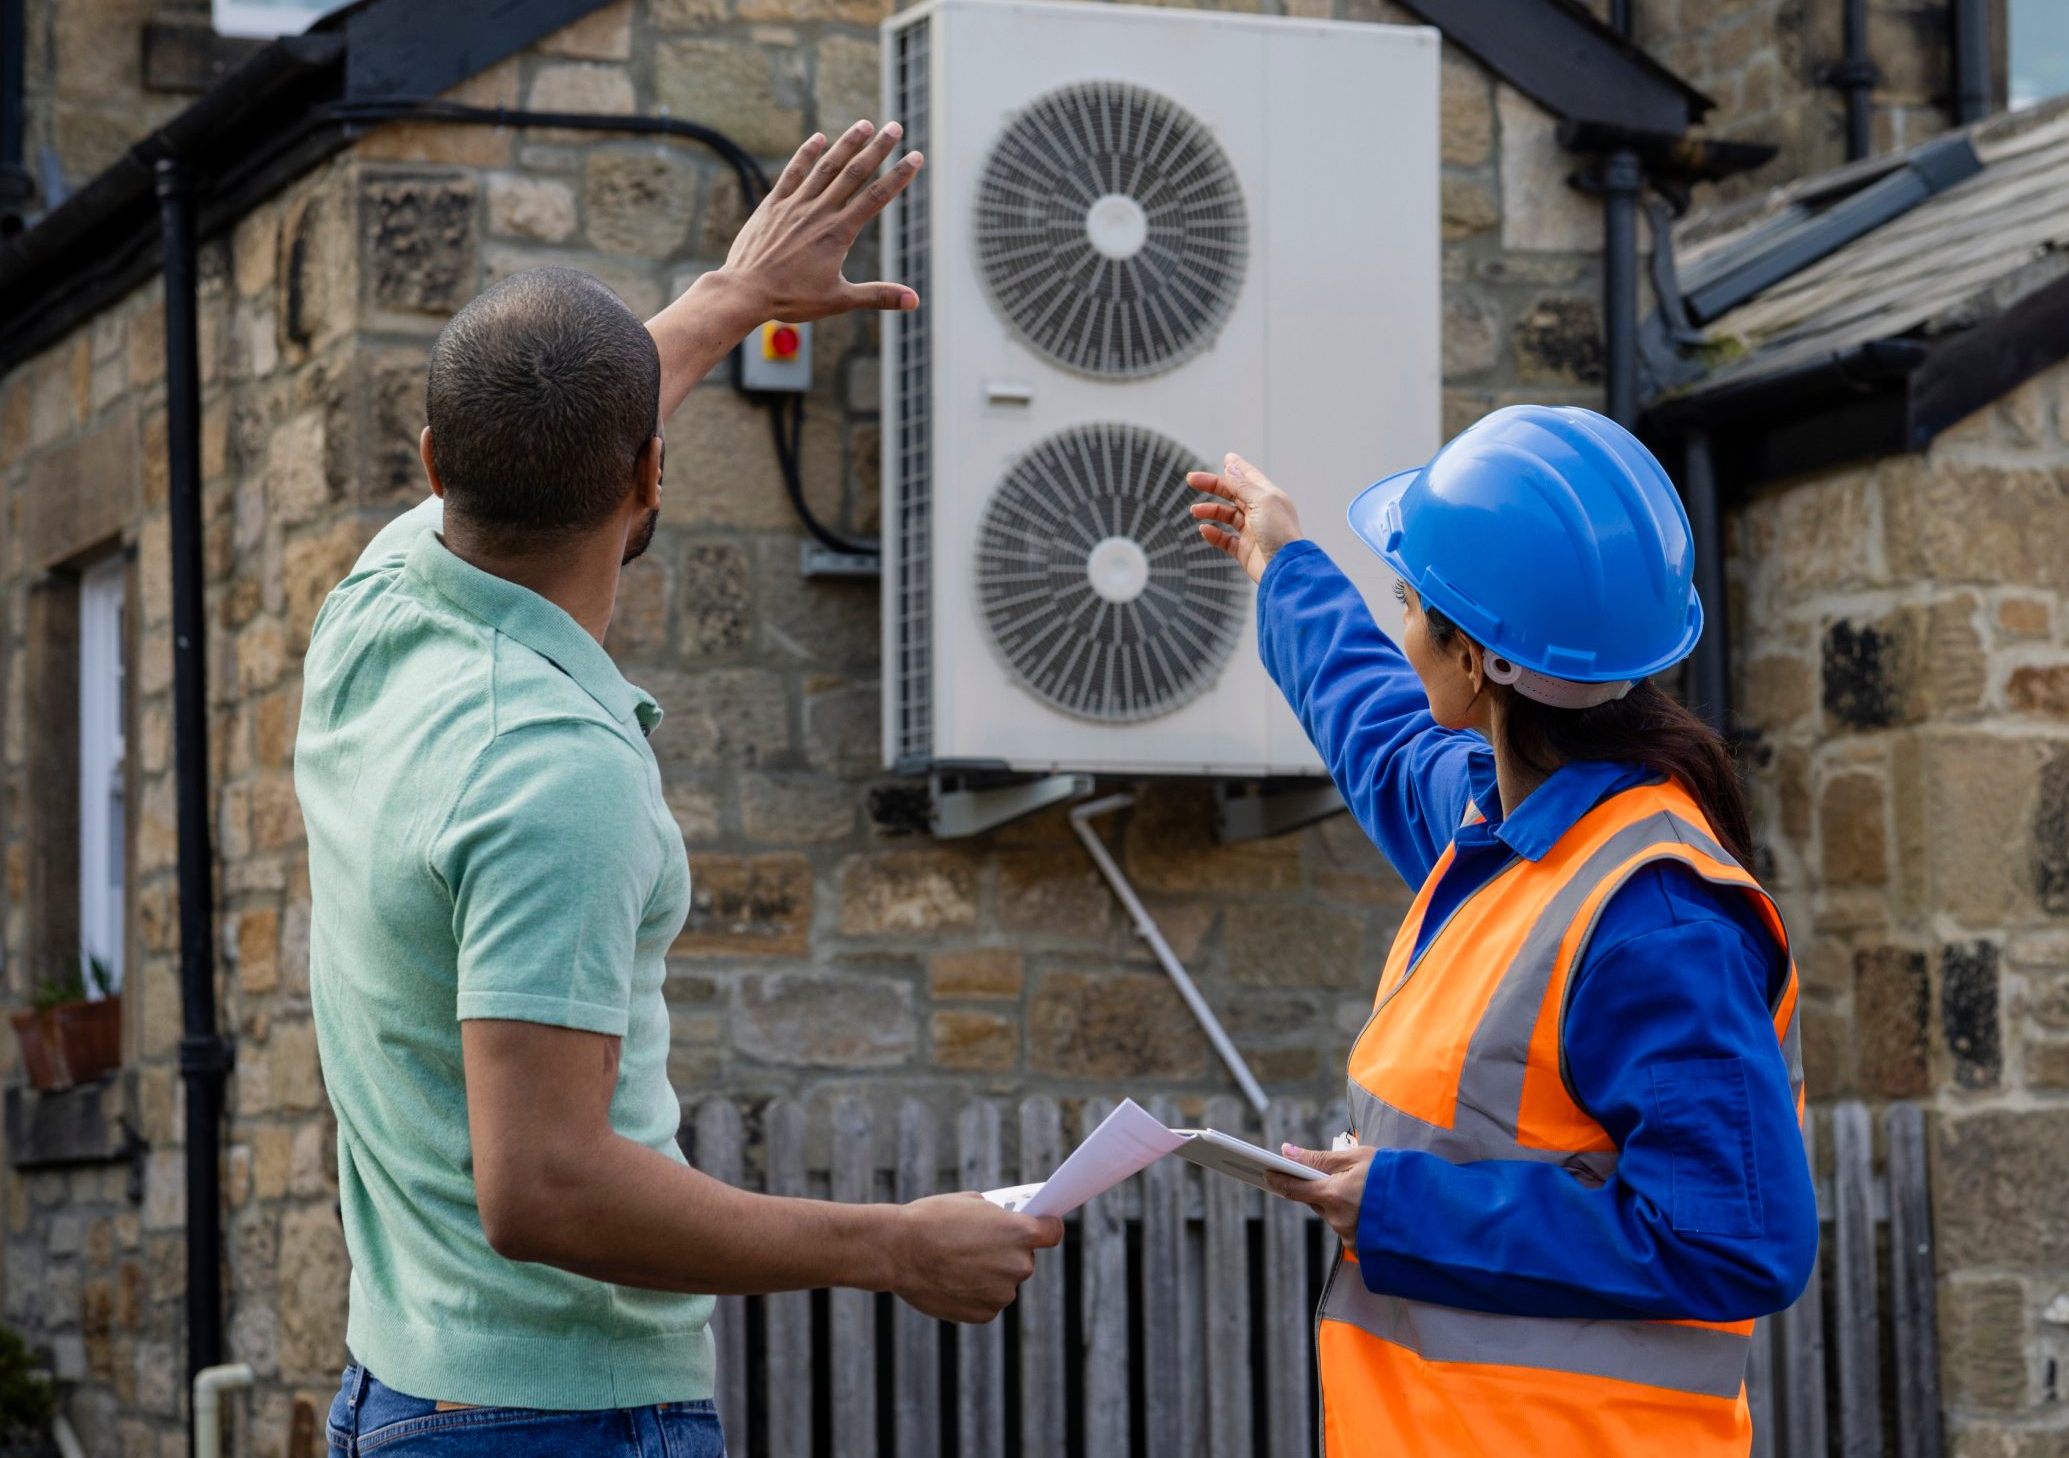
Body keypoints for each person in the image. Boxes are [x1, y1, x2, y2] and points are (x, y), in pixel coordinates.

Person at [298, 123, 1060, 1457]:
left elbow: (557, 422)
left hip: (410, 1385)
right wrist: (889, 1244)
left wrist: (731, 296)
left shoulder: (374, 606)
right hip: (556, 1419)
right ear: (654, 475)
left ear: (431, 464)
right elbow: (543, 1183)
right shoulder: (554, 769)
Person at [1185, 406, 1818, 1456]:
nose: (1400, 630)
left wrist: (1397, 1206)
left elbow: (1734, 1240)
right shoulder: (1509, 827)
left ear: (1474, 661)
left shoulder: (1655, 918)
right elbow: (1378, 730)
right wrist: (1283, 562)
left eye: (1408, 605)